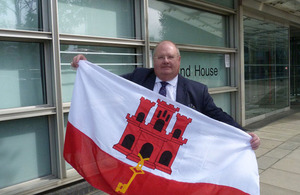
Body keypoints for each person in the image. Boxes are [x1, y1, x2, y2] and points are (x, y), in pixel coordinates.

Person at [71, 40, 260, 150]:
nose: (165, 61)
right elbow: (110, 82)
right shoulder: (139, 77)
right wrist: (88, 68)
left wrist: (243, 133)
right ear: (154, 60)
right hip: (139, 147)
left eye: (170, 57)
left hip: (176, 151)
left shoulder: (197, 90)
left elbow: (216, 115)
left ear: (179, 60)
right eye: (160, 57)